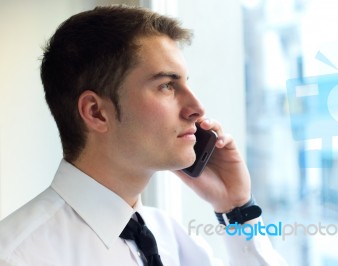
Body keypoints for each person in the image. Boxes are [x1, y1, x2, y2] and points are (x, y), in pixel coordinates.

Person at [0, 5, 286, 266]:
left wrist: (236, 208)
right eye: (166, 86)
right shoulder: (17, 256)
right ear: (96, 112)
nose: (197, 109)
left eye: (186, 83)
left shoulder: (171, 236)